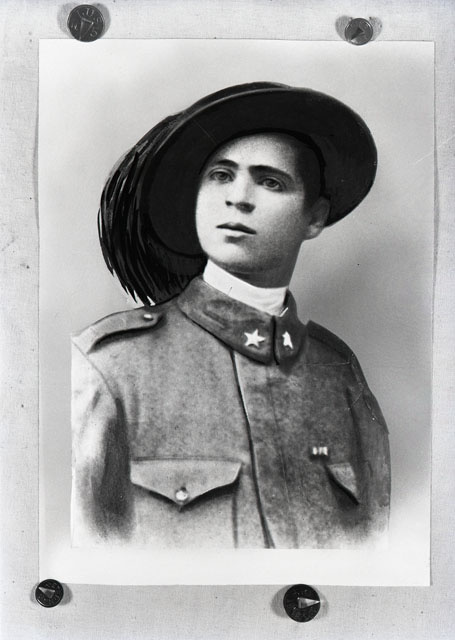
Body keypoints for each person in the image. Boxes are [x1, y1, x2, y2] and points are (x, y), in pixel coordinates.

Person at [71, 82, 391, 549]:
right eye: (220, 175)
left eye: (271, 181)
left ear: (315, 217)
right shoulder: (111, 366)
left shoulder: (336, 374)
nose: (238, 197)